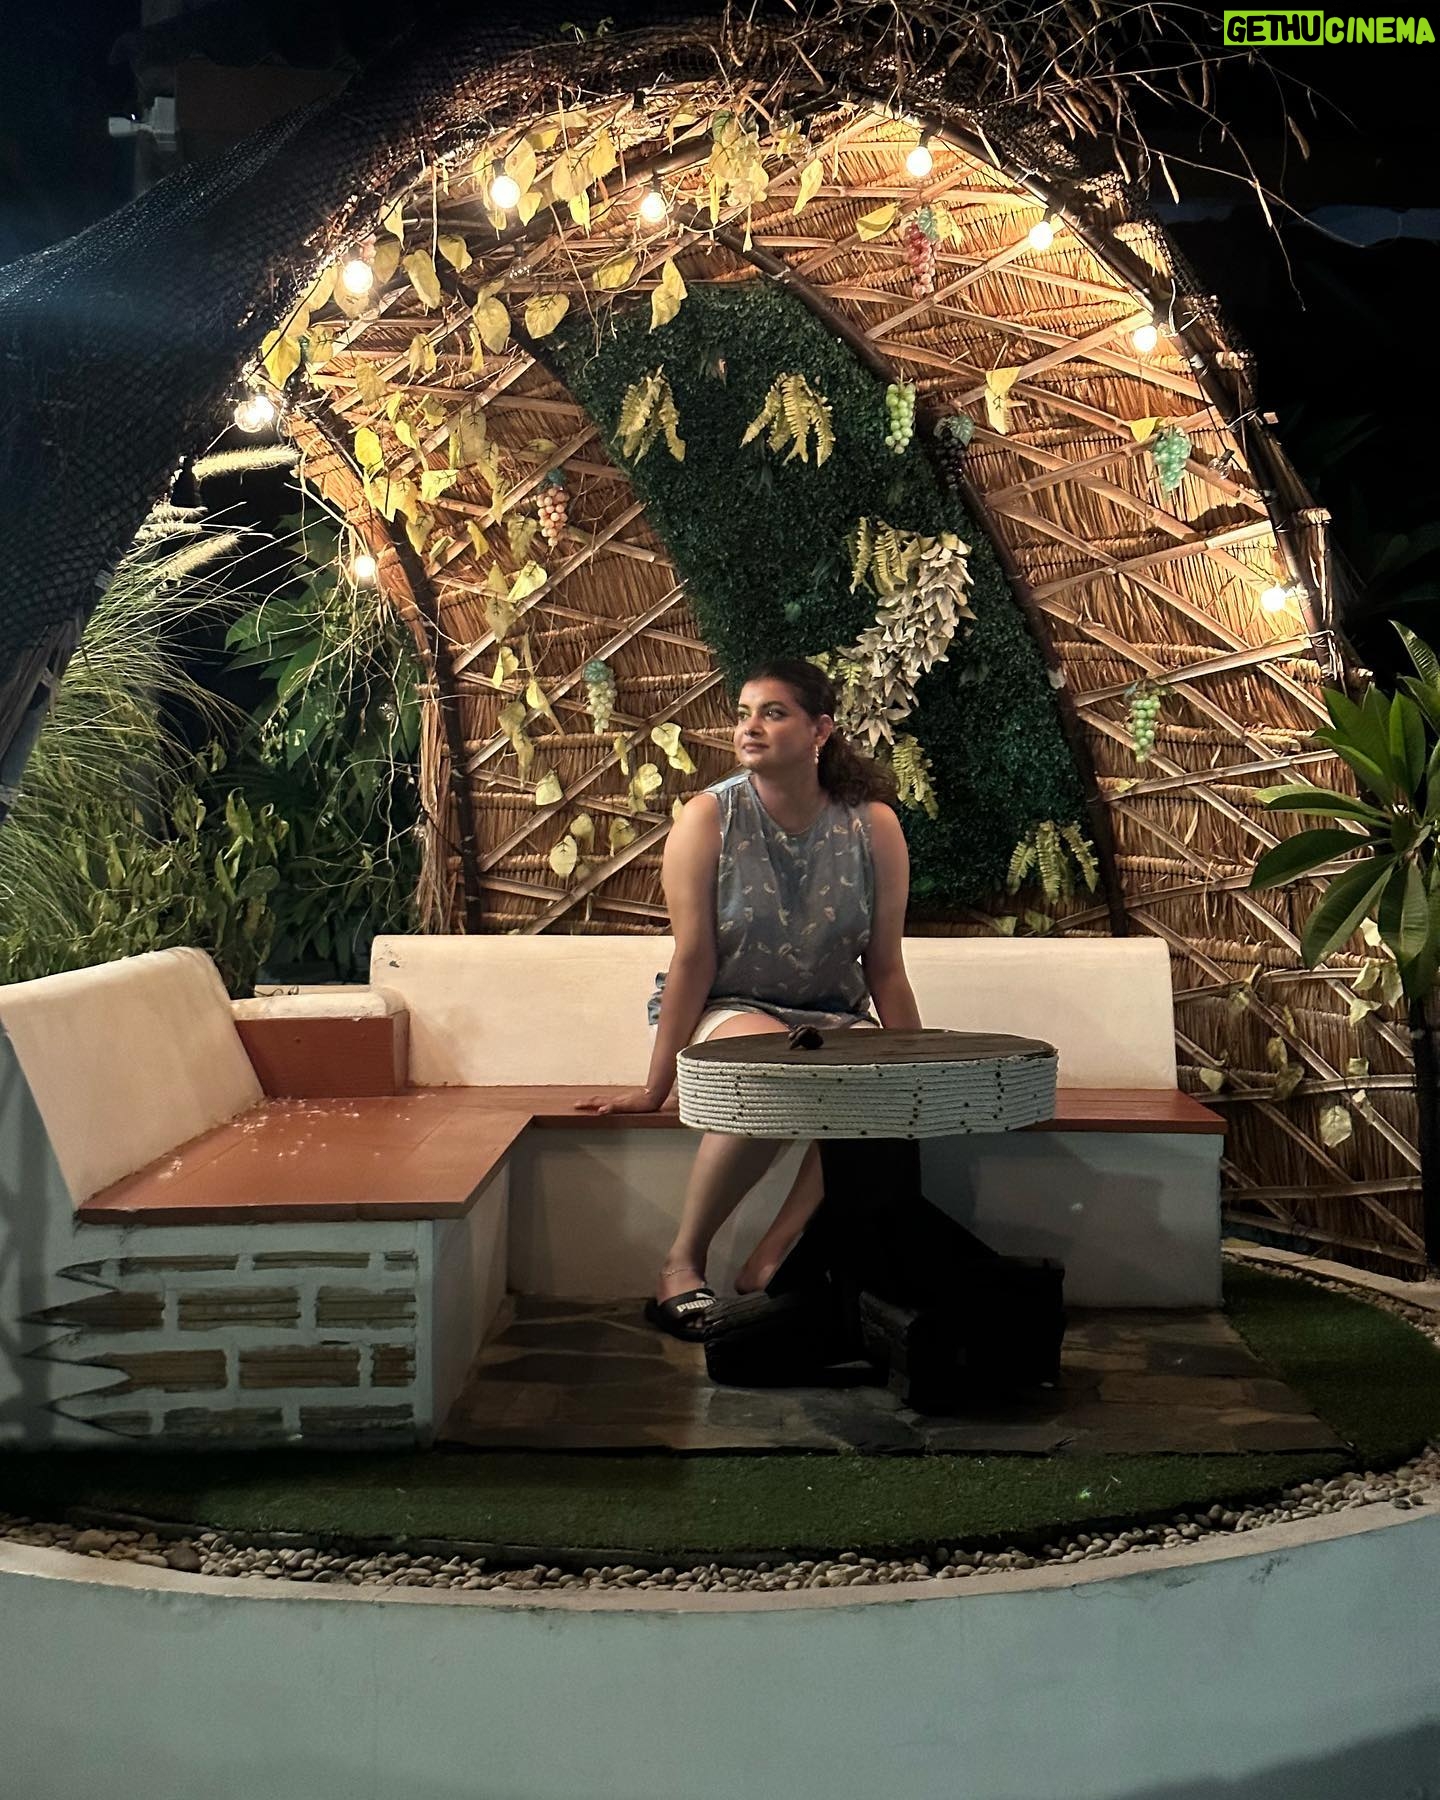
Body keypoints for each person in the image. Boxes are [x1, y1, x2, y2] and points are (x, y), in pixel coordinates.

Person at [577, 658, 922, 1339]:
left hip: (831, 1017)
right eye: (744, 714)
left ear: (820, 730)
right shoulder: (709, 818)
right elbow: (693, 958)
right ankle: (680, 1264)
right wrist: (655, 1087)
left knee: (878, 1085)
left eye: (773, 712)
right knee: (768, 1060)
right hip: (729, 1007)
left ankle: (772, 1257)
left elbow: (885, 967)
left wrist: (918, 1065)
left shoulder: (873, 826)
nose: (750, 727)